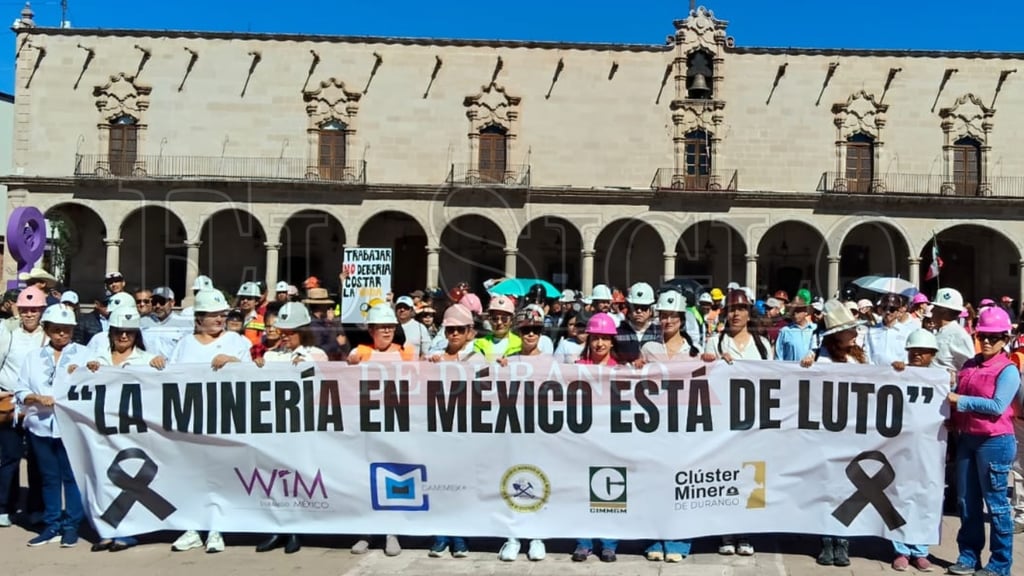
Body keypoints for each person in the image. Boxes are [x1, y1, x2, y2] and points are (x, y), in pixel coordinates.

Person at [169, 289, 253, 553]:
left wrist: (232, 361)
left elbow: (253, 375)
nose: (219, 319)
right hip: (191, 419)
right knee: (192, 475)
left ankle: (217, 528)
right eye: (213, 315)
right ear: (199, 318)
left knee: (220, 475)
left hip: (225, 418)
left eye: (222, 314)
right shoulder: (185, 344)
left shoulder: (236, 341)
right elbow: (170, 376)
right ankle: (193, 528)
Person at [82, 306, 165, 552]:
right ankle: (107, 531)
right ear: (111, 333)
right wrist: (82, 371)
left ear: (137, 334)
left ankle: (129, 532)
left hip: (134, 430)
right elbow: (74, 381)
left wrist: (160, 366)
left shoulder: (148, 360)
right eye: (119, 331)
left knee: (132, 479)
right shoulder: (97, 359)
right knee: (103, 478)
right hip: (101, 429)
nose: (124, 336)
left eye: (129, 332)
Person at [945, 306, 1019, 576]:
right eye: (982, 336)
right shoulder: (969, 365)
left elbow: (998, 406)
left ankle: (1000, 564)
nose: (987, 341)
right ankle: (968, 557)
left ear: (1005, 339)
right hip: (968, 439)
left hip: (995, 442)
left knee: (997, 506)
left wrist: (960, 401)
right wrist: (953, 418)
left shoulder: (1008, 370)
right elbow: (955, 395)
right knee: (966, 502)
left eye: (994, 337)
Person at [14, 304, 90, 547]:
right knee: (49, 478)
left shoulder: (85, 354)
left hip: (71, 427)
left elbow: (97, 382)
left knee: (72, 477)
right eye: (56, 329)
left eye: (66, 329)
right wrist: (36, 398)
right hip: (41, 426)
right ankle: (52, 524)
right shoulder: (33, 358)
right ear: (47, 330)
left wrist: (87, 371)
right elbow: (20, 389)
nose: (62, 334)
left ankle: (71, 525)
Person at [252, 302, 326, 554]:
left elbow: (325, 381)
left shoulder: (316, 354)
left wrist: (306, 364)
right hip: (276, 426)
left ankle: (296, 529)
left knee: (298, 477)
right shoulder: (271, 356)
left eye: (290, 332)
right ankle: (277, 528)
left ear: (303, 331)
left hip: (304, 426)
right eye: (282, 331)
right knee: (274, 476)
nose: (284, 336)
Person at [800, 299, 867, 567]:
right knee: (826, 486)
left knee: (847, 487)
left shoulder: (860, 356)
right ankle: (826, 540)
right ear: (837, 335)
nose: (855, 333)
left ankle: (843, 541)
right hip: (826, 432)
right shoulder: (820, 356)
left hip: (852, 431)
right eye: (850, 329)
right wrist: (807, 364)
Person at [701, 288, 767, 557]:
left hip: (752, 422)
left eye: (741, 309)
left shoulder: (762, 345)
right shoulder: (715, 343)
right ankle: (726, 532)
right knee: (725, 477)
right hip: (722, 422)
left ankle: (746, 531)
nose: (736, 314)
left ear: (749, 313)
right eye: (731, 310)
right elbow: (702, 376)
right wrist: (712, 362)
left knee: (752, 477)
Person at [347, 304, 412, 556]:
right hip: (367, 426)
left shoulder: (407, 353)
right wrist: (349, 364)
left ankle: (391, 531)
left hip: (396, 424)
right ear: (371, 330)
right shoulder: (360, 352)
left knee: (393, 478)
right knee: (366, 479)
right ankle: (366, 532)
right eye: (381, 327)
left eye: (390, 327)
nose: (386, 331)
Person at [888, 328, 939, 572]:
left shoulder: (941, 379)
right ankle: (901, 550)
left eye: (923, 351)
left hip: (930, 448)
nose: (917, 355)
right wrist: (894, 371)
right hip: (901, 447)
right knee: (900, 495)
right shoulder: (899, 374)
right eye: (913, 351)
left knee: (926, 496)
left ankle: (920, 551)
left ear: (933, 354)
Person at [573, 312, 621, 562]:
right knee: (582, 491)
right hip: (583, 440)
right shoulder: (575, 368)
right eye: (595, 338)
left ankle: (609, 543)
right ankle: (583, 542)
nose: (600, 343)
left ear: (612, 341)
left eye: (605, 338)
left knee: (611, 490)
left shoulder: (622, 371)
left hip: (611, 439)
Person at [0, 286, 48, 527]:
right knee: (10, 457)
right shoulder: (8, 334)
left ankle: (35, 508)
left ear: (41, 311)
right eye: (25, 309)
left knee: (37, 459)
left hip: (36, 406)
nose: (29, 314)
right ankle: (4, 507)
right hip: (9, 404)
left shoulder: (47, 337)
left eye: (34, 310)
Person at [931, 288, 976, 372]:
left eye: (935, 307)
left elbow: (970, 368)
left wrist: (954, 375)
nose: (931, 310)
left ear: (944, 311)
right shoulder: (938, 331)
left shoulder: (959, 335)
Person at [473, 296, 521, 362]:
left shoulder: (520, 343)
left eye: (504, 319)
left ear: (511, 321)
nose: (499, 322)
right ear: (489, 320)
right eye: (495, 319)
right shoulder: (479, 344)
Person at [774, 295, 818, 363]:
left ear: (805, 312)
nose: (795, 313)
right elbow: (778, 357)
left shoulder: (815, 329)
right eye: (793, 311)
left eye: (798, 310)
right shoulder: (784, 331)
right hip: (790, 369)